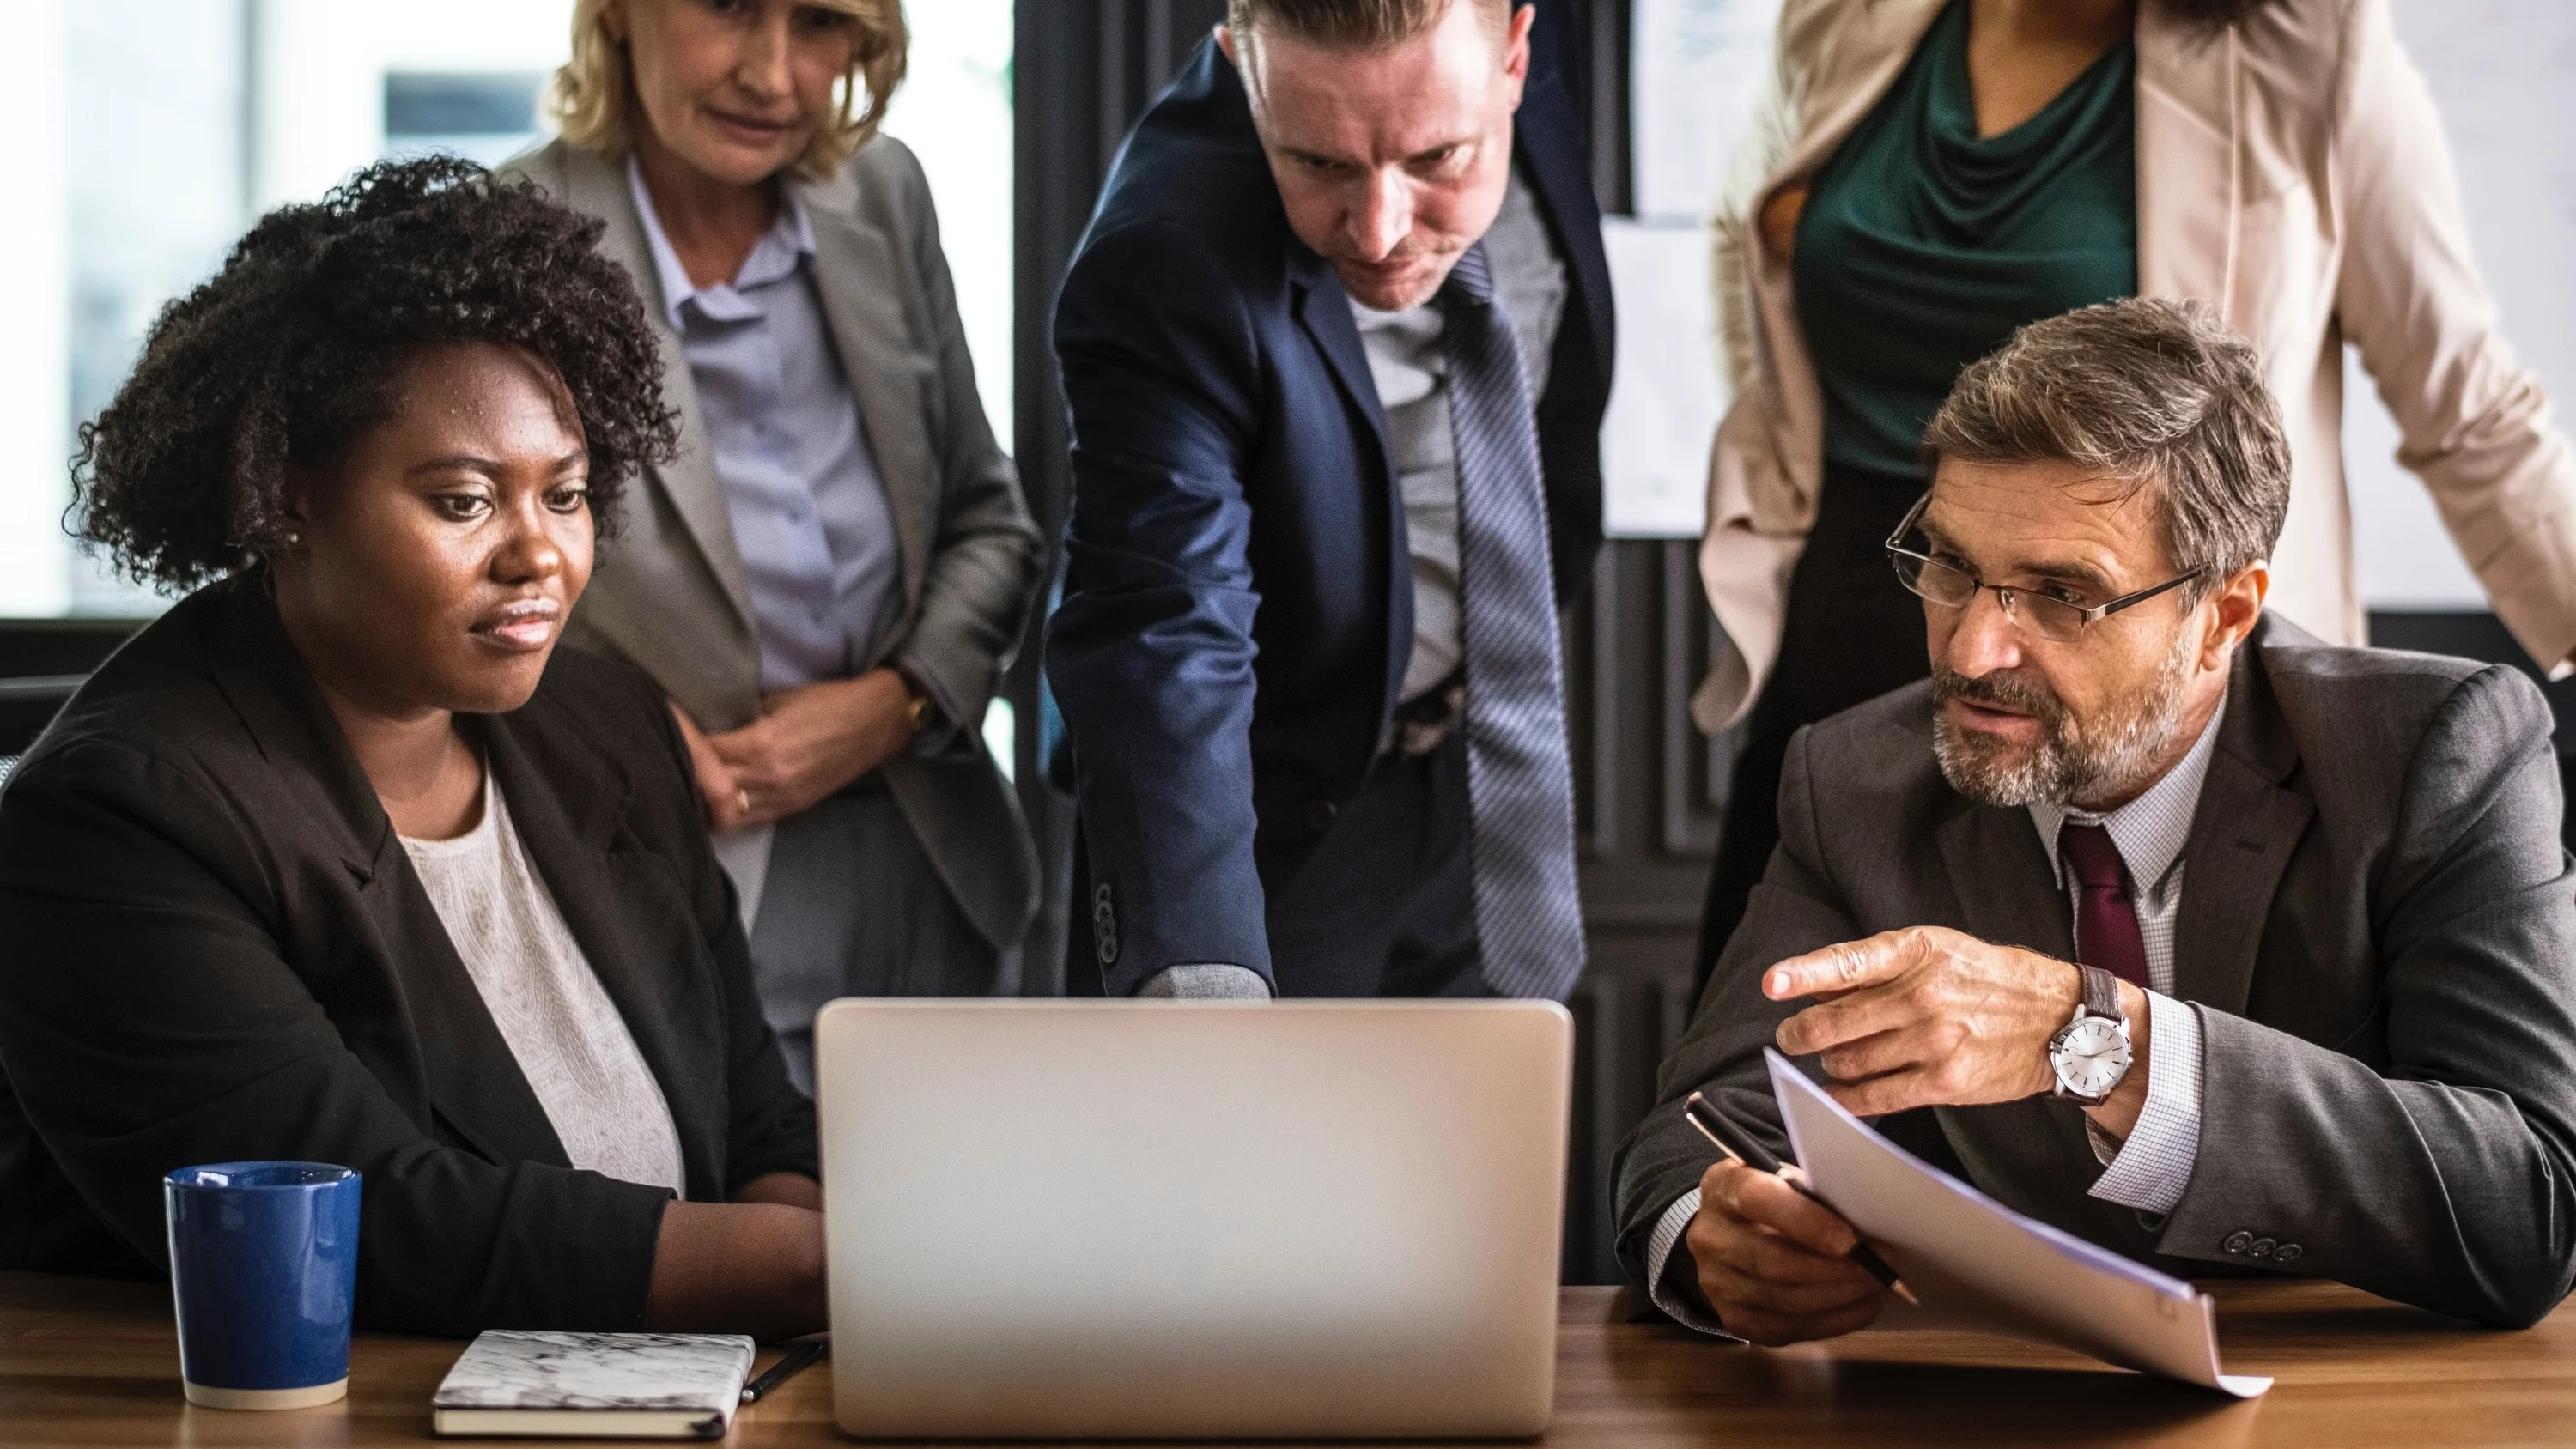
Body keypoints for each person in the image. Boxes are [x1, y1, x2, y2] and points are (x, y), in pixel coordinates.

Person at [1619, 298, 2576, 1340]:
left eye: (2063, 595)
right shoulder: (1852, 776)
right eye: (1950, 566)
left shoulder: (2432, 751)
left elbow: (2531, 1203)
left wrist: (2104, 1040)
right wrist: (1720, 1239)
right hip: (1997, 1398)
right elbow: (1699, 1129)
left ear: (2223, 617)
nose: (1973, 650)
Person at [0, 159, 826, 1338]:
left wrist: (793, 1309)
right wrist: (809, 1273)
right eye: (463, 502)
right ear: (289, 497)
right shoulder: (122, 817)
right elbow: (371, 1227)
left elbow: (757, 1124)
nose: (539, 555)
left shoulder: (610, 729)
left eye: (568, 493)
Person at [1689, 0, 2576, 992]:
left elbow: (2473, 414)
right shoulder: (1848, 18)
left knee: (2132, 1081)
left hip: (2132, 651)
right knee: (1775, 1072)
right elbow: (1749, 253)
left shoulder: (2311, 49)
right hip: (1858, 610)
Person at [507, 0, 1042, 1082]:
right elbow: (465, 581)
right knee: (769, 1238)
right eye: (731, 9)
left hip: (937, 857)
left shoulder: (884, 191)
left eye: (820, 21)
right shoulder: (514, 234)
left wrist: (896, 702)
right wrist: (639, 739)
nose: (775, 74)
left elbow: (991, 522)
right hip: (670, 867)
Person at [1048, 0, 1613, 1000]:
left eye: (1439, 157)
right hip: (1273, 821)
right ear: (1241, 67)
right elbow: (1163, 629)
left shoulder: (1525, 38)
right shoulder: (1166, 256)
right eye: (1320, 164)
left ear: (1518, 55)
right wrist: (1200, 974)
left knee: (1488, 1149)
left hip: (1488, 776)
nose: (1383, 231)